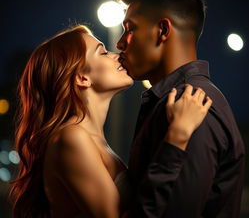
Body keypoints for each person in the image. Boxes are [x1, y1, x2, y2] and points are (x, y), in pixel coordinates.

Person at [9, 24, 212, 218]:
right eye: (103, 52)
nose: (117, 55)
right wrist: (178, 135)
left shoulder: (89, 138)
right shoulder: (71, 137)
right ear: (82, 78)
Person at [116, 0, 245, 218]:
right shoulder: (173, 101)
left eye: (130, 28)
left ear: (163, 30)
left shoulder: (192, 105)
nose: (120, 42)